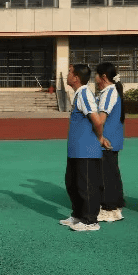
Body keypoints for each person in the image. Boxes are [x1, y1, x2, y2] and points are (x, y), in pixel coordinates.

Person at [61, 64, 109, 232]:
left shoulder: (84, 93)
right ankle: (78, 215)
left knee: (87, 186)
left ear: (75, 78)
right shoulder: (78, 94)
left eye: (69, 72)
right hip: (76, 150)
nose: (67, 75)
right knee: (72, 183)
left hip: (86, 150)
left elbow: (97, 121)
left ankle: (90, 220)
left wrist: (100, 138)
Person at [95, 62, 126, 222]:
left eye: (96, 74)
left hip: (106, 139)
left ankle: (109, 209)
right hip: (112, 137)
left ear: (103, 77)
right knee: (112, 173)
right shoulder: (112, 90)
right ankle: (116, 205)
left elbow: (101, 118)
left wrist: (99, 136)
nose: (94, 78)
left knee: (106, 175)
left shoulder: (108, 92)